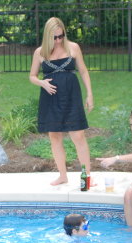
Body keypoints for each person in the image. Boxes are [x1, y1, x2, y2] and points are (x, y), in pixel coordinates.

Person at [29, 17, 94, 186]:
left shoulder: (73, 47)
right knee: (54, 136)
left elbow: (84, 72)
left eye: (61, 36)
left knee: (78, 135)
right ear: (47, 36)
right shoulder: (40, 52)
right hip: (50, 98)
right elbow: (32, 76)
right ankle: (62, 175)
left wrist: (89, 94)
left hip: (71, 95)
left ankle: (86, 177)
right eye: (55, 37)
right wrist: (42, 82)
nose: (58, 40)